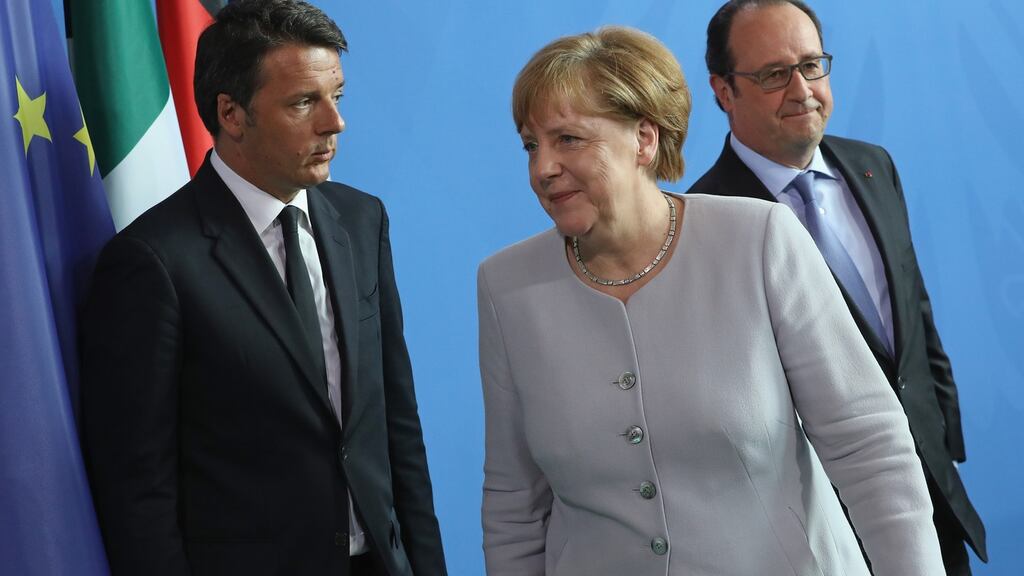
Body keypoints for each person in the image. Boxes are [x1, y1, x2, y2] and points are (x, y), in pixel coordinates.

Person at [478, 25, 944, 576]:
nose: (542, 168)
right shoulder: (505, 285)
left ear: (644, 139)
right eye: (531, 145)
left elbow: (869, 448)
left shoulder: (760, 237)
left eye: (568, 140)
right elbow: (515, 507)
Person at [80, 1, 446, 574]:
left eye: (337, 96)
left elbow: (397, 427)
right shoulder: (153, 262)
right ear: (231, 113)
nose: (335, 122)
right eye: (305, 102)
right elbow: (137, 487)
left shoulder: (362, 219)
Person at [686, 1, 986, 573]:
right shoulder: (708, 222)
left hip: (929, 493)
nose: (801, 89)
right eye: (774, 74)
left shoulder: (873, 165)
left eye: (812, 64)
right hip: (815, 524)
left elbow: (912, 310)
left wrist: (941, 437)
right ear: (724, 91)